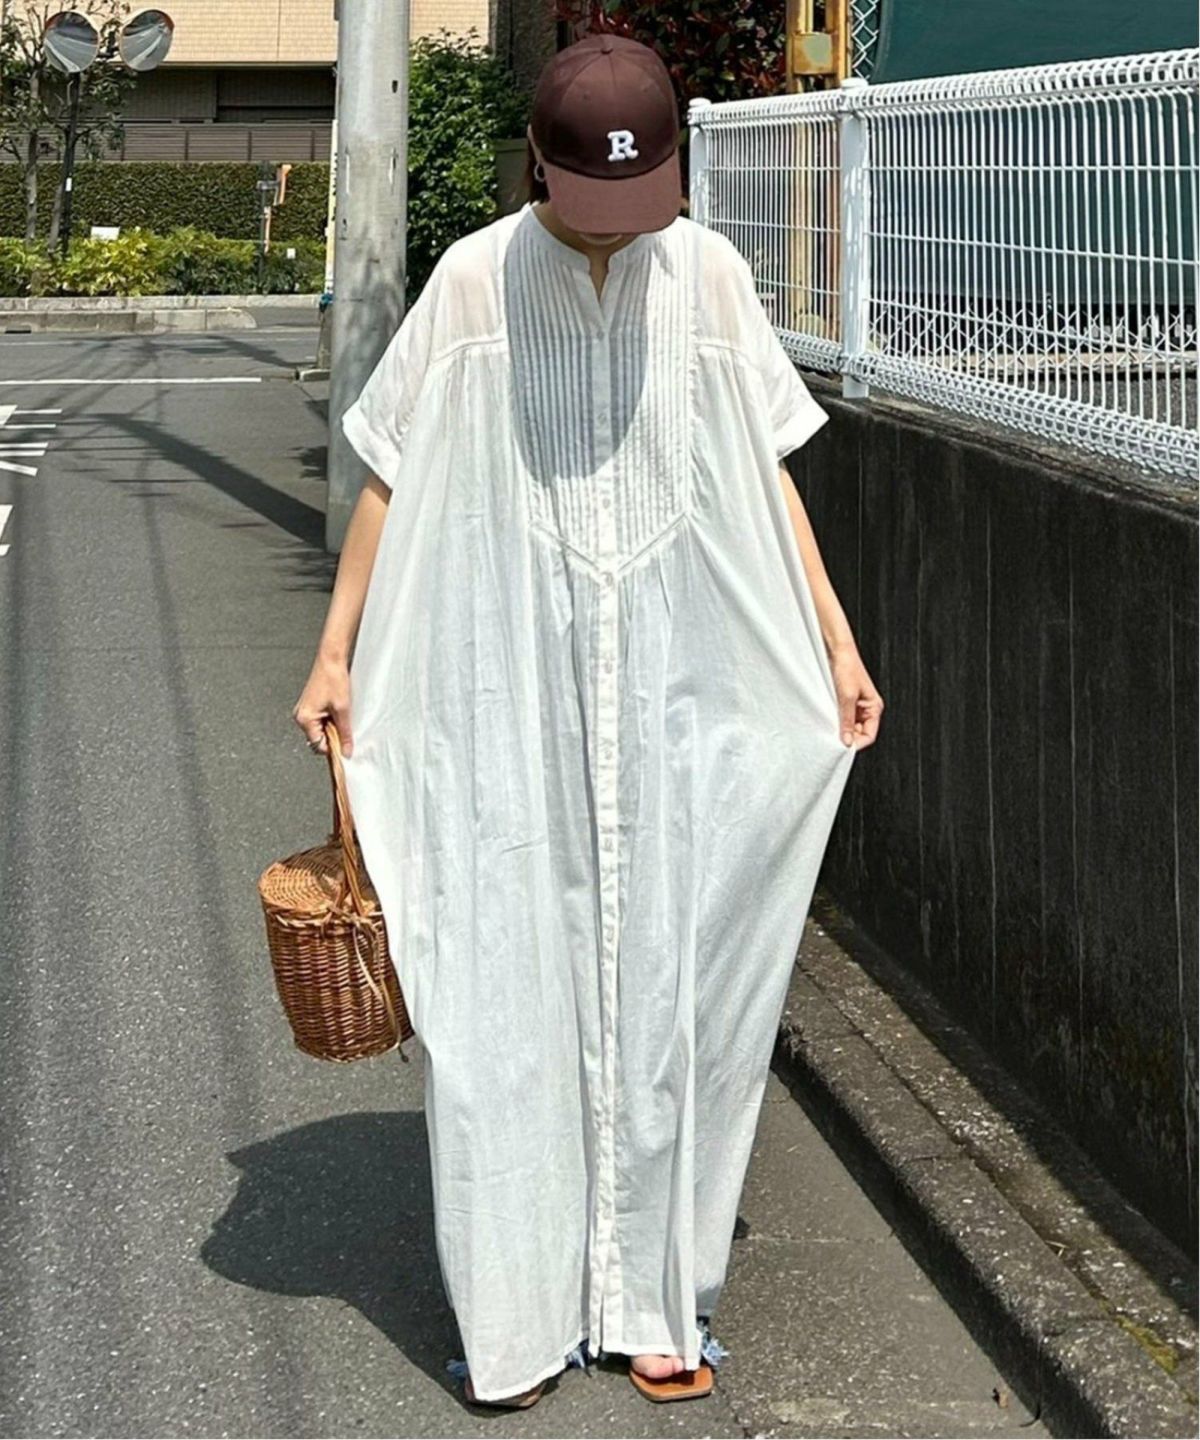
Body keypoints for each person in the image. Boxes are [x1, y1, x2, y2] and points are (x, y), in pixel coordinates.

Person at [293, 30, 883, 1412]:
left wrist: (835, 637)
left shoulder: (710, 275)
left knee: (680, 975)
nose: (622, 224)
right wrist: (336, 654)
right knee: (500, 973)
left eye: (644, 194)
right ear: (540, 167)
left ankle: (656, 1298)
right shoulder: (474, 280)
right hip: (502, 676)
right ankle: (516, 1312)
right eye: (594, 196)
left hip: (678, 682)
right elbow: (388, 471)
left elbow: (765, 474)